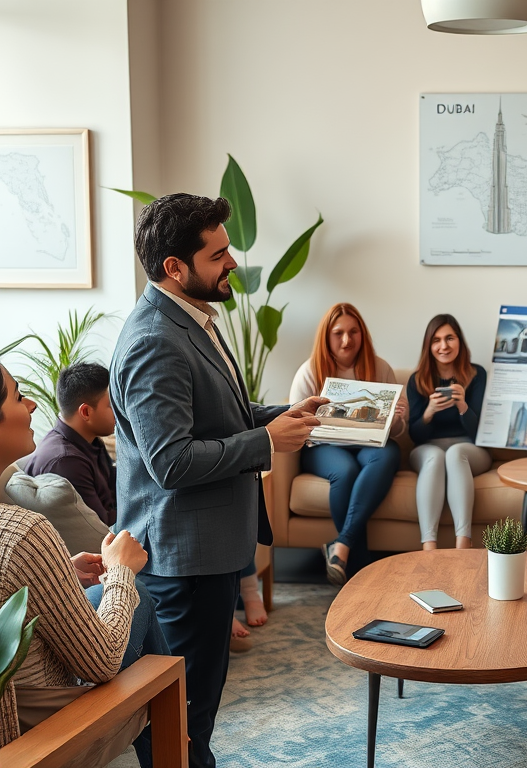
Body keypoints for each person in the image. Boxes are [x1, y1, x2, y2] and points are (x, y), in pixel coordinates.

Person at [110, 193, 324, 768]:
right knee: (184, 714)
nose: (232, 262)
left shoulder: (193, 318)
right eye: (218, 253)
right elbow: (171, 462)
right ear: (174, 268)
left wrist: (287, 414)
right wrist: (266, 443)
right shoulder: (154, 340)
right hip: (182, 561)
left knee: (194, 710)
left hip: (207, 552)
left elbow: (223, 412)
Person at [0, 352, 159, 760]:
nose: (33, 405)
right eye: (18, 396)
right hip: (40, 727)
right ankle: (175, 733)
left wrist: (62, 574)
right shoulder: (20, 530)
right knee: (140, 597)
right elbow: (102, 661)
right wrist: (120, 573)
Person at [290, 302, 408, 585]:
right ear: (326, 336)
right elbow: (293, 420)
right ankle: (360, 569)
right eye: (338, 332)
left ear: (362, 334)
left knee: (389, 453)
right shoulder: (309, 371)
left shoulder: (380, 368)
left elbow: (401, 430)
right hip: (324, 448)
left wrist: (397, 418)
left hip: (369, 444)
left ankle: (341, 546)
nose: (347, 340)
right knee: (345, 472)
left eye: (353, 332)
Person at [407, 314, 490, 549]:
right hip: (427, 448)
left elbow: (479, 434)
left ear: (459, 342)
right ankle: (428, 546)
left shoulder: (477, 374)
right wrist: (429, 412)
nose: (443, 346)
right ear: (429, 346)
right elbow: (415, 436)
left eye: (450, 338)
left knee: (454, 453)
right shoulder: (417, 380)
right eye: (436, 340)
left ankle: (463, 543)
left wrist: (463, 405)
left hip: (469, 448)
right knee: (435, 456)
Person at [23, 361, 118, 525]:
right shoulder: (66, 462)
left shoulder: (91, 440)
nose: (119, 411)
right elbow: (99, 526)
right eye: (112, 405)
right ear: (86, 412)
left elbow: (115, 490)